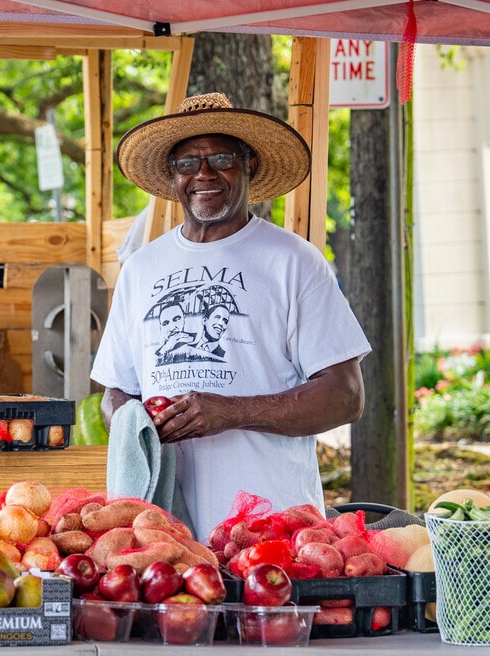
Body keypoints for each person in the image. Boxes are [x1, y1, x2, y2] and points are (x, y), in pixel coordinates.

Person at [90, 92, 371, 540]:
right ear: (173, 176)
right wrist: (136, 424)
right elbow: (115, 394)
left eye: (221, 158)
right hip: (163, 531)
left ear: (250, 166)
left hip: (272, 525)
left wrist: (233, 412)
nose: (203, 173)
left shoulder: (293, 260)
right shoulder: (142, 268)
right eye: (187, 163)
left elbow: (346, 395)